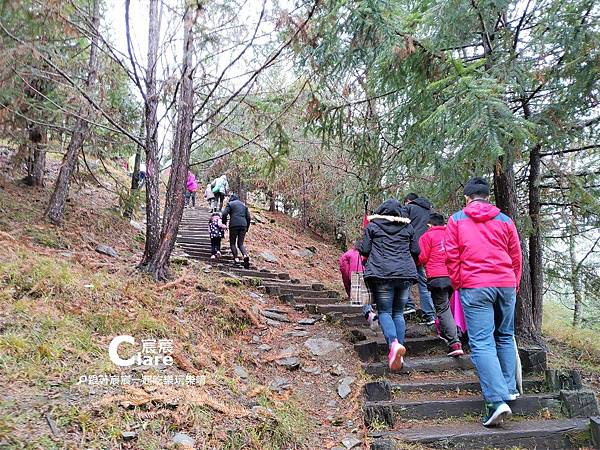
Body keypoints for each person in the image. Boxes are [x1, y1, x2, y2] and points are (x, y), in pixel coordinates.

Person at [445, 177, 522, 427]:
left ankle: (496, 400)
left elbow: (452, 256)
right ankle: (509, 389)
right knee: (505, 335)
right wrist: (513, 283)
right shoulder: (505, 220)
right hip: (505, 283)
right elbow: (515, 255)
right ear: (487, 196)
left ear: (467, 197)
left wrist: (459, 283)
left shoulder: (457, 219)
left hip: (475, 284)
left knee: (482, 342)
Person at [358, 199, 419, 371]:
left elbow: (364, 250)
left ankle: (393, 344)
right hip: (405, 273)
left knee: (385, 311)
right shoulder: (408, 227)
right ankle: (398, 351)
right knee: (398, 313)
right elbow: (416, 250)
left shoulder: (373, 226)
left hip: (382, 274)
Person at [418, 213, 464, 357]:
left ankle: (454, 342)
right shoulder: (453, 234)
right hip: (453, 275)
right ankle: (452, 333)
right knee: (448, 306)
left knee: (443, 308)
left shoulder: (426, 237)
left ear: (429, 225)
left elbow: (422, 257)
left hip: (437, 277)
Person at [403, 193, 436, 324]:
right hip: (427, 249)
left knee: (406, 278)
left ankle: (408, 305)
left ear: (408, 201)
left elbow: (402, 226)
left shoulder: (408, 208)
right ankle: (430, 315)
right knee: (424, 283)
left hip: (410, 248)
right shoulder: (429, 210)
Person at [339, 243, 377, 329]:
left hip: (355, 276)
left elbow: (344, 269)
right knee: (366, 297)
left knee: (362, 299)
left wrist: (348, 287)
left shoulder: (348, 254)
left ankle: (370, 314)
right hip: (371, 276)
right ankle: (373, 315)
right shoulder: (371, 252)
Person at [222, 193, 251, 268]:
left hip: (234, 225)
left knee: (232, 243)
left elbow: (224, 214)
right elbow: (248, 217)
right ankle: (245, 255)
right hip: (243, 225)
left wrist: (224, 223)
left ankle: (236, 259)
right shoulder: (243, 205)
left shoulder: (230, 204)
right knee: (240, 244)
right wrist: (247, 227)